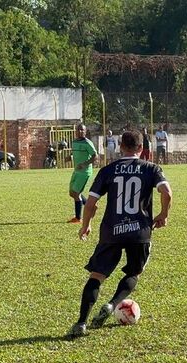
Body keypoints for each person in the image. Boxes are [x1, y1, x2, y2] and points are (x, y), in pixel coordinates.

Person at [68, 130, 172, 337]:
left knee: (96, 276)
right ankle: (112, 304)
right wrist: (163, 214)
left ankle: (81, 323)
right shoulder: (151, 168)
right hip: (140, 231)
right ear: (141, 149)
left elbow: (90, 203)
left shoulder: (108, 170)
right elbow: (167, 193)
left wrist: (86, 225)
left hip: (111, 231)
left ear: (120, 147)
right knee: (133, 273)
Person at [68, 124, 97, 224]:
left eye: (82, 130)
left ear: (85, 131)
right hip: (76, 170)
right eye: (78, 129)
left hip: (84, 172)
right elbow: (75, 153)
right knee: (72, 193)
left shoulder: (87, 143)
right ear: (76, 131)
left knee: (76, 194)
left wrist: (85, 164)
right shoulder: (74, 142)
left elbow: (95, 156)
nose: (80, 131)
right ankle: (91, 206)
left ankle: (78, 218)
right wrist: (70, 157)